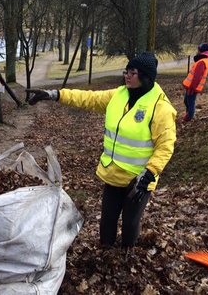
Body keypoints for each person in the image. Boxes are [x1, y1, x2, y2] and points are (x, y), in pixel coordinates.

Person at [26, 52, 177, 250]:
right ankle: (105, 255)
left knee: (130, 225)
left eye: (133, 72)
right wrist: (55, 95)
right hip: (113, 175)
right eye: (126, 71)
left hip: (137, 182)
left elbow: (166, 145)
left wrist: (149, 174)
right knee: (107, 222)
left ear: (146, 77)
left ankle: (127, 257)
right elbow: (88, 98)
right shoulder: (119, 95)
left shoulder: (160, 107)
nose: (127, 76)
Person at [182, 43, 208, 121]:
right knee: (186, 101)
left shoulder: (201, 62)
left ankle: (188, 118)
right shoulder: (202, 60)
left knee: (191, 103)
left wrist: (192, 88)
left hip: (192, 87)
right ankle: (189, 115)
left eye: (198, 49)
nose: (197, 51)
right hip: (191, 87)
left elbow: (197, 77)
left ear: (201, 50)